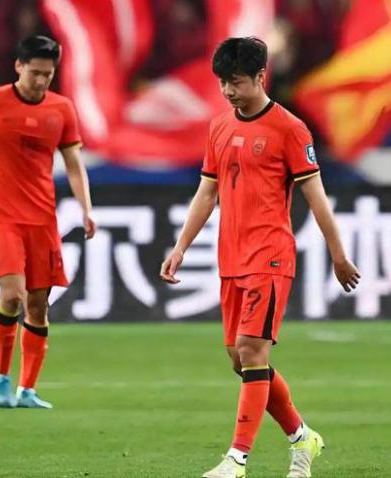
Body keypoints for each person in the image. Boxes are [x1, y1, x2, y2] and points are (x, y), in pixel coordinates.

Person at [160, 37, 360, 478]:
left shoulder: (290, 129)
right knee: (241, 358)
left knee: (252, 351)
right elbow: (207, 192)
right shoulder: (218, 127)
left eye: (236, 82)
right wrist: (181, 246)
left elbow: (316, 196)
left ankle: (236, 460)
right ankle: (302, 437)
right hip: (230, 258)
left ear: (260, 77)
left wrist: (338, 254)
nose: (228, 91)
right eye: (223, 83)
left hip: (270, 255)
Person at [0, 35, 96, 409]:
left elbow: (74, 164)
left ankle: (27, 389)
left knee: (38, 306)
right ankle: (0, 376)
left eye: (47, 74)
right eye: (35, 72)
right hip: (2, 214)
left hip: (42, 218)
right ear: (18, 67)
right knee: (12, 294)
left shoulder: (62, 109)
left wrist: (86, 208)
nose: (40, 81)